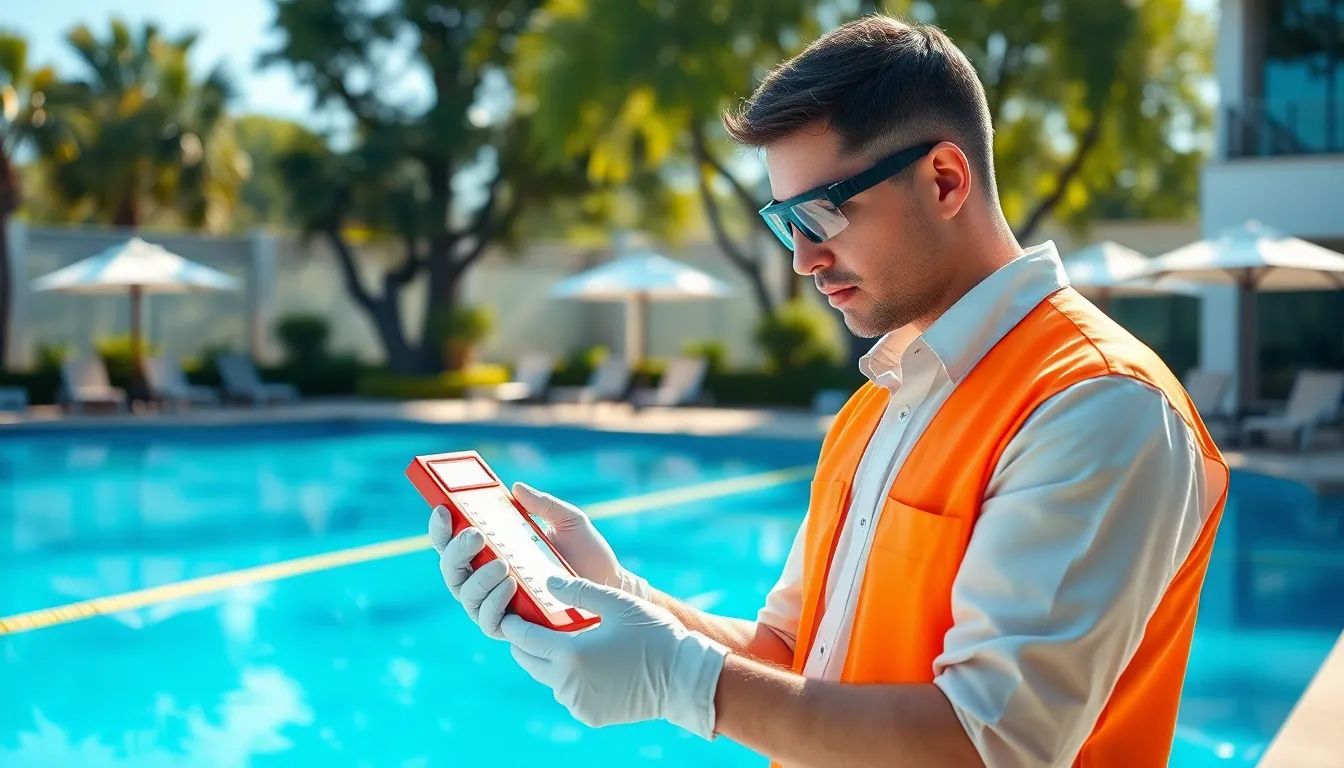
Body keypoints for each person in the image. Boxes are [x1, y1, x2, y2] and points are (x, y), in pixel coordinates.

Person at [429, 14, 1228, 768]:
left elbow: (991, 744)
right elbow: (788, 655)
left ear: (945, 179)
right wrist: (621, 596)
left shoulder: (1098, 404)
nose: (803, 258)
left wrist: (681, 682)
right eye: (785, 220)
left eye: (822, 213)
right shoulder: (880, 402)